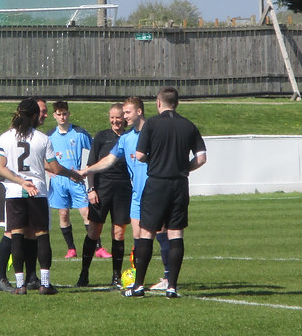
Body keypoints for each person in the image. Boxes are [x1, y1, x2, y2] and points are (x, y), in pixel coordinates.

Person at [82, 96, 173, 289]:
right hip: (136, 195)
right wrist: (86, 172)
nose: (123, 117)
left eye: (127, 113)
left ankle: (168, 278)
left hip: (155, 191)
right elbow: (109, 159)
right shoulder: (126, 138)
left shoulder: (155, 132)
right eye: (121, 113)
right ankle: (139, 282)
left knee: (161, 232)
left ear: (139, 111)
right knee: (139, 237)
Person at [0, 97, 84, 295]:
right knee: (41, 235)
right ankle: (44, 283)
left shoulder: (5, 137)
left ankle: (20, 285)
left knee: (16, 235)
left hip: (15, 193)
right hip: (38, 192)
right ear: (34, 116)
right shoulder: (42, 138)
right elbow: (54, 167)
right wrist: (72, 174)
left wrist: (19, 181)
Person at [129, 86, 207, 299]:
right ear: (177, 103)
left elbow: (140, 154)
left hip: (157, 183)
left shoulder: (152, 123)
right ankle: (172, 287)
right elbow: (201, 158)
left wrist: (154, 159)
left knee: (147, 232)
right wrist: (183, 169)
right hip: (179, 185)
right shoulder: (188, 125)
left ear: (158, 102)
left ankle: (138, 286)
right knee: (175, 233)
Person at [0, 97, 46, 292]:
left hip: (26, 187)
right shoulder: (11, 136)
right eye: (42, 111)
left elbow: (44, 164)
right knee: (12, 231)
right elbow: (0, 167)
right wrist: (21, 180)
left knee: (31, 230)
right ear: (32, 115)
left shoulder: (37, 137)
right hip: (9, 187)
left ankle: (31, 277)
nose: (44, 115)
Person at [75, 103, 132, 288]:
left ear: (125, 118)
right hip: (101, 189)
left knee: (118, 232)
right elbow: (91, 165)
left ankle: (116, 277)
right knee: (94, 231)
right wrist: (91, 190)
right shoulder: (101, 137)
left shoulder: (131, 137)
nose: (115, 121)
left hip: (123, 189)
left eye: (119, 117)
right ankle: (84, 273)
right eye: (112, 117)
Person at [47, 100, 92, 259]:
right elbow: (40, 158)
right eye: (59, 114)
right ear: (54, 115)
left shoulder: (79, 133)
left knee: (86, 212)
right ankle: (71, 248)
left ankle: (98, 247)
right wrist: (49, 170)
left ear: (69, 114)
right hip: (58, 181)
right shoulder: (49, 136)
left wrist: (85, 169)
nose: (62, 117)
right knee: (63, 214)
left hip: (76, 179)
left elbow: (95, 152)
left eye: (64, 114)